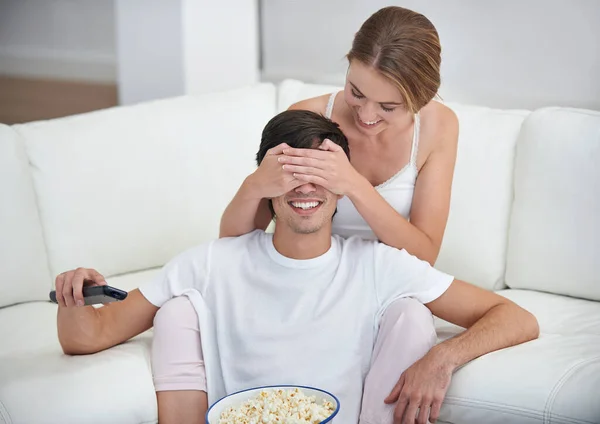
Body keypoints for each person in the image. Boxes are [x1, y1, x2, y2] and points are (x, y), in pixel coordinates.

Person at [56, 110, 539, 424]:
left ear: (343, 186)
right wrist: (75, 292)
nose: (306, 190)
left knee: (414, 313)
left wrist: (442, 358)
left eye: (320, 175)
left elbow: (516, 317)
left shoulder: (381, 267)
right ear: (265, 183)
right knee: (174, 311)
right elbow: (87, 336)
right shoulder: (209, 264)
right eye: (290, 175)